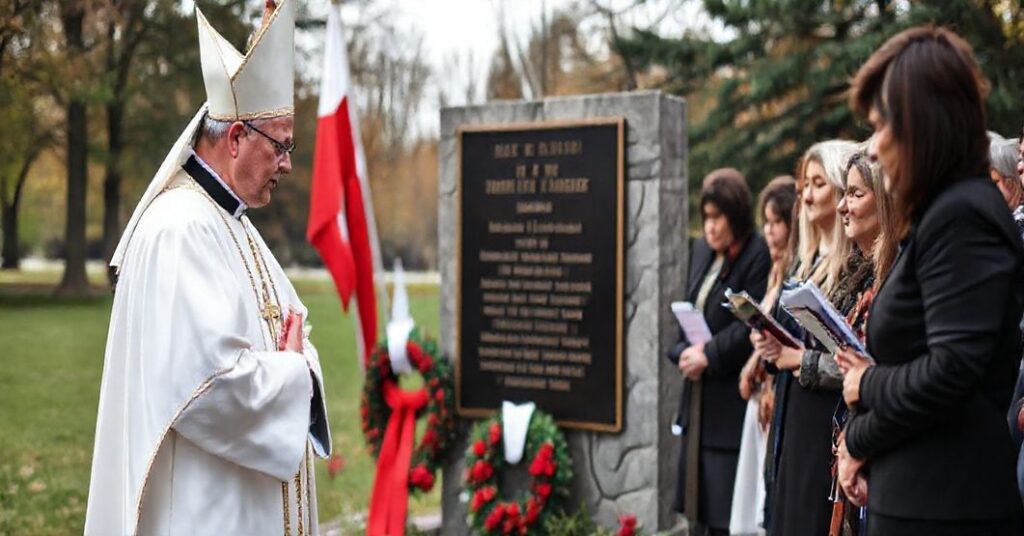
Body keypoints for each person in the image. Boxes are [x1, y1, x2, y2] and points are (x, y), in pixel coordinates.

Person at [84, 2, 332, 535]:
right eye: (281, 144)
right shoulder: (180, 228)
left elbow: (291, 334)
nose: (287, 163)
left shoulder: (232, 225)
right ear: (236, 137)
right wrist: (294, 373)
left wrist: (297, 360)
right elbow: (206, 386)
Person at [836, 26, 1024, 535]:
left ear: (923, 123)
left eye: (880, 127)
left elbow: (953, 373)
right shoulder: (943, 213)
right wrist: (862, 435)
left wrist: (865, 390)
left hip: (947, 508)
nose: (871, 150)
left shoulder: (963, 217)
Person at [754, 139, 858, 536]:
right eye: (804, 187)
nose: (808, 196)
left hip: (824, 420)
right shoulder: (805, 259)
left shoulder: (855, 264)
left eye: (818, 184)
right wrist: (769, 346)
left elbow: (855, 360)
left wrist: (799, 360)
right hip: (791, 413)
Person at [669, 168, 771, 535]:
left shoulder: (757, 254)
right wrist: (682, 350)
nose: (710, 227)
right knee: (697, 514)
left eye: (718, 217)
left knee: (724, 514)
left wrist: (708, 355)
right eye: (706, 218)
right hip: (697, 399)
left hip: (728, 402)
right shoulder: (701, 250)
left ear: (737, 215)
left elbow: (750, 323)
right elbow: (689, 305)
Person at [825, 150, 897, 536]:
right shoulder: (854, 271)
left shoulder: (894, 274)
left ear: (883, 199)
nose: (841, 206)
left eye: (854, 194)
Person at [730, 176, 796, 536]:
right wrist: (750, 365)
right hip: (758, 396)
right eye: (766, 223)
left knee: (763, 503)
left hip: (774, 396)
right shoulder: (774, 270)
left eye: (776, 222)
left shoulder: (796, 269)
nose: (769, 232)